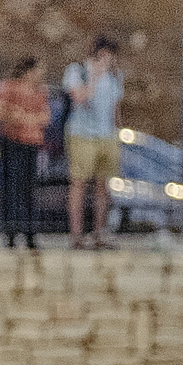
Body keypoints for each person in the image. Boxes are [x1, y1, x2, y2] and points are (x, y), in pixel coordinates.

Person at [63, 36, 124, 250]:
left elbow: (115, 109)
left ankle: (100, 232)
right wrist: (95, 76)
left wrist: (118, 137)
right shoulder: (77, 71)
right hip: (82, 134)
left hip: (106, 136)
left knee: (103, 186)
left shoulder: (115, 76)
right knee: (79, 183)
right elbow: (80, 98)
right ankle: (76, 235)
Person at [0, 58, 50, 250]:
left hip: (31, 144)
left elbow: (45, 117)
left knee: (29, 190)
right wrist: (19, 117)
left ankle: (30, 232)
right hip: (13, 142)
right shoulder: (10, 87)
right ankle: (11, 233)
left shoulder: (40, 92)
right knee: (12, 188)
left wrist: (23, 117)